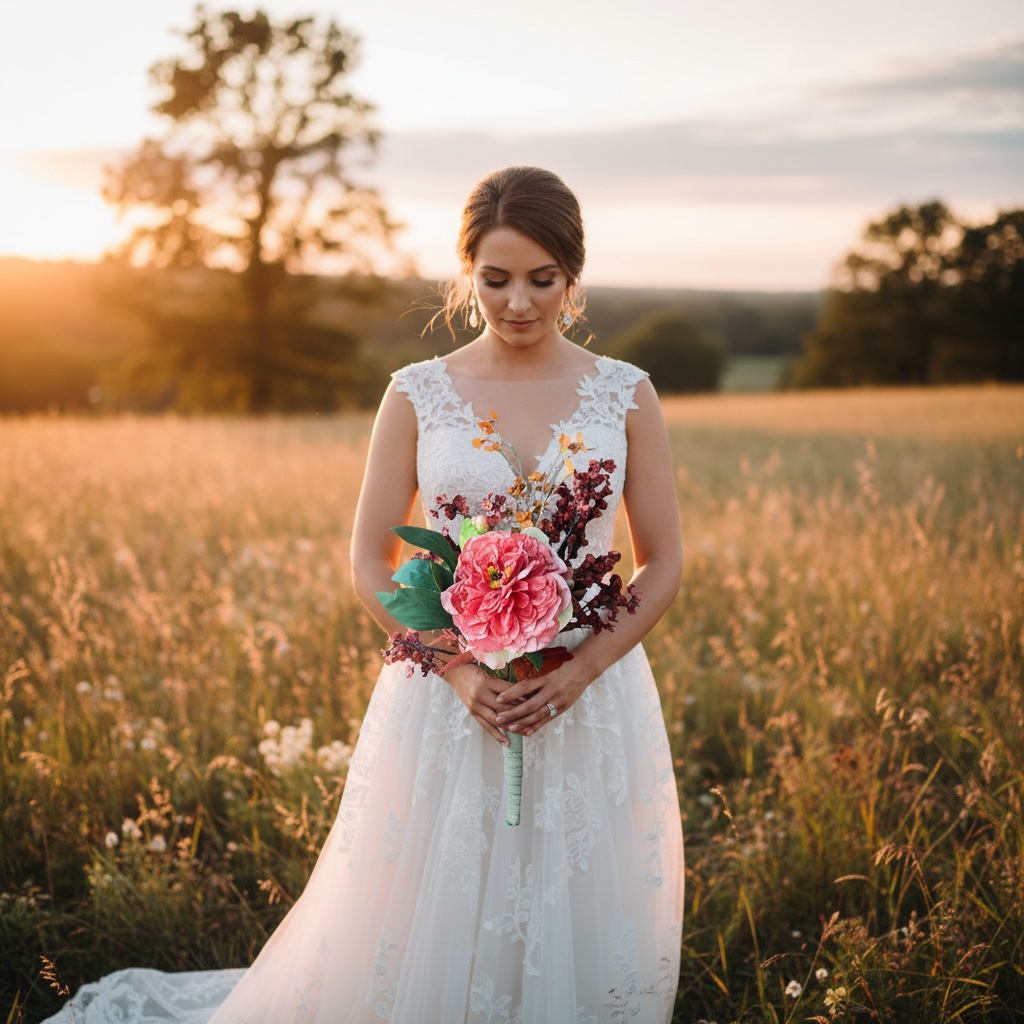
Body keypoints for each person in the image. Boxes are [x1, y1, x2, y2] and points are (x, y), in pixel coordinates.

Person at [42, 166, 684, 1024]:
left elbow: (664, 558)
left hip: (588, 697)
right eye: (495, 279)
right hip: (447, 701)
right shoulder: (418, 392)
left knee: (568, 900)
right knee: (430, 911)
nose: (520, 302)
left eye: (542, 279)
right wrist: (457, 671)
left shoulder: (625, 392)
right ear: (467, 273)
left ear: (574, 275)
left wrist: (577, 673)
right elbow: (371, 560)